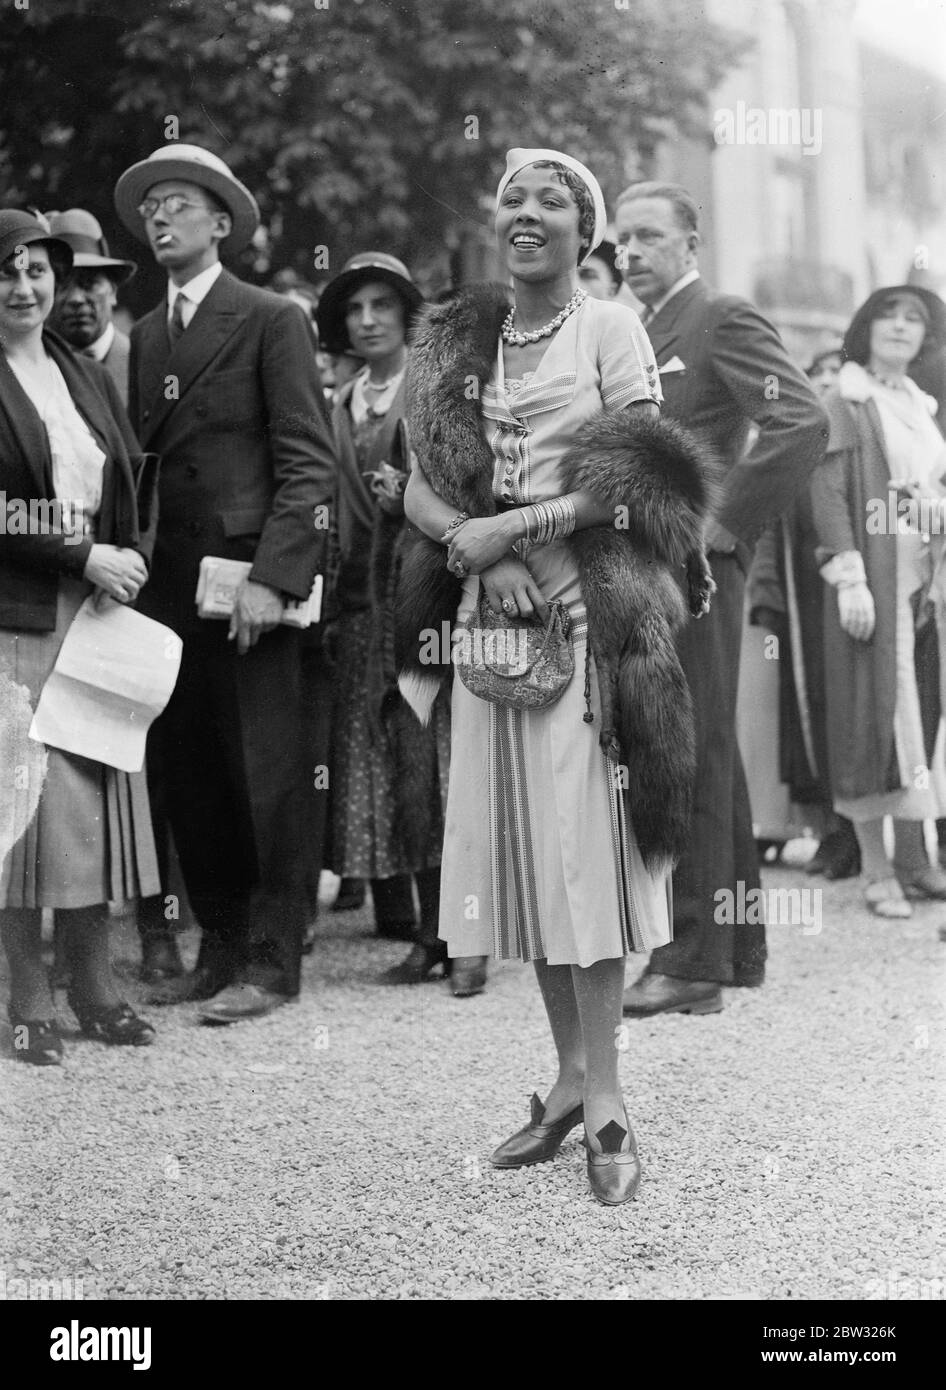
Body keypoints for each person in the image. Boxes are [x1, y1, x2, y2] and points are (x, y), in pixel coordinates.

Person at [396, 149, 715, 1203]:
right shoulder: (459, 338)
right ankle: (567, 1082)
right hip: (492, 633)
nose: (526, 214)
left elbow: (642, 469)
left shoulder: (608, 328)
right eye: (513, 201)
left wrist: (522, 533)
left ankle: (611, 1095)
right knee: (524, 861)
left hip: (588, 619)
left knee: (588, 859)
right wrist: (470, 542)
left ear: (585, 235)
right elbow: (411, 488)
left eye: (550, 203)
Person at [113, 143, 336, 1022]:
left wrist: (273, 579)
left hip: (245, 589)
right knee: (195, 772)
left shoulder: (269, 316)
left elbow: (308, 461)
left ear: (220, 223)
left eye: (179, 204)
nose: (161, 219)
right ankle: (221, 947)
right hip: (169, 594)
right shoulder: (144, 335)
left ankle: (273, 964)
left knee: (268, 775)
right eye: (152, 208)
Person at [614, 181, 828, 1019]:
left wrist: (721, 529)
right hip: (649, 565)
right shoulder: (636, 328)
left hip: (694, 564)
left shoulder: (720, 315)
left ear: (690, 243)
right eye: (622, 241)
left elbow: (800, 421)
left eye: (649, 238)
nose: (631, 254)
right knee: (695, 744)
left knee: (683, 743)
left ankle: (693, 956)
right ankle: (721, 952)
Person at [0, 209, 157, 1064]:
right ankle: (27, 1002)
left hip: (96, 612)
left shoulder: (77, 370)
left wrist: (132, 555)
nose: (24, 289)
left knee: (94, 799)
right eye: (6, 273)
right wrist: (79, 553)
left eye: (37, 272)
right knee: (24, 811)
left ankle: (95, 990)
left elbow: (132, 474)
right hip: (17, 616)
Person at [316, 253, 487, 994]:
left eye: (382, 305)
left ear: (406, 314)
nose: (367, 320)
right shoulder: (340, 399)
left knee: (441, 765)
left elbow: (470, 488)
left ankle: (463, 934)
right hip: (360, 609)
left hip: (427, 602)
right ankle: (425, 930)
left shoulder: (436, 390)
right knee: (394, 766)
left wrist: (408, 499)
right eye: (354, 310)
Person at [811, 285, 946, 918]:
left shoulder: (920, 406)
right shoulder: (848, 400)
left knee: (918, 715)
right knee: (869, 716)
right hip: (875, 579)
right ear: (865, 329)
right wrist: (849, 576)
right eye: (889, 316)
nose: (900, 326)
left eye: (913, 319)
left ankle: (918, 859)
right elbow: (829, 491)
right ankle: (874, 865)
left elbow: (930, 492)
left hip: (924, 582)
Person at [748, 345, 861, 879]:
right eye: (819, 376)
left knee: (853, 707)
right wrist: (768, 593)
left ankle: (863, 833)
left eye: (839, 375)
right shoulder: (793, 447)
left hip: (853, 583)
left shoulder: (855, 442)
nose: (829, 385)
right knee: (809, 711)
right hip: (803, 595)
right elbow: (766, 523)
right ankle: (832, 831)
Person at [45, 209, 137, 405]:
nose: (76, 299)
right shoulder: (28, 371)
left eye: (89, 284)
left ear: (112, 291)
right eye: (61, 286)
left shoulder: (146, 366)